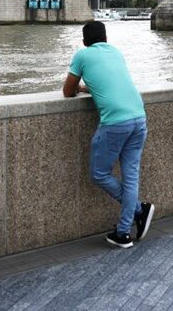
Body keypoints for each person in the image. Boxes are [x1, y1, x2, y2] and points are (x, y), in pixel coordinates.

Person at [63, 21, 155, 248]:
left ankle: (137, 211)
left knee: (99, 174)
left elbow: (67, 91)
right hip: (139, 117)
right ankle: (124, 230)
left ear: (84, 41)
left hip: (115, 123)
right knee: (131, 177)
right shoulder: (116, 52)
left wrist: (81, 87)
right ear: (105, 39)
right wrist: (90, 87)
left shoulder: (82, 55)